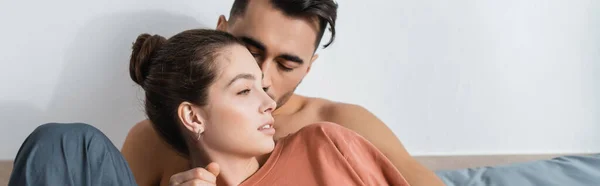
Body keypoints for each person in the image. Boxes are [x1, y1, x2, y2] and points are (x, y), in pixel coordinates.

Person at [10, 28, 410, 186]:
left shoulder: (327, 145)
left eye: (263, 87)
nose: (270, 103)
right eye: (244, 91)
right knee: (66, 143)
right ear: (193, 116)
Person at [121, 0, 445, 186]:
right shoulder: (152, 140)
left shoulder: (340, 131)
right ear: (220, 31)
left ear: (308, 68)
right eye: (249, 50)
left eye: (286, 65)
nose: (263, 77)